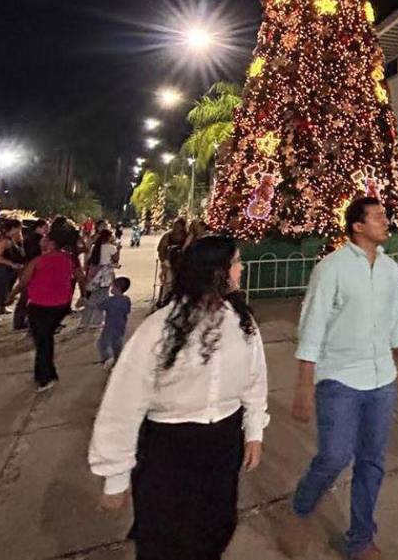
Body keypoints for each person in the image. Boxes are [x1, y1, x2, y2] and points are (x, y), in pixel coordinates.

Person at [89, 238, 268, 560]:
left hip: (223, 443)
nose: (242, 269)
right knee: (166, 537)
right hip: (170, 448)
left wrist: (254, 431)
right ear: (216, 272)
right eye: (237, 262)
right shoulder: (158, 329)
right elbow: (124, 404)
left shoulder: (241, 323)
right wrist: (115, 475)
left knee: (216, 526)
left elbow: (255, 381)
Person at [279, 197, 398, 560]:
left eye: (384, 216)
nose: (385, 222)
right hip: (339, 379)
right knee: (334, 456)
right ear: (357, 226)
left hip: (381, 381)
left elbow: (396, 320)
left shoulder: (389, 269)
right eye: (377, 217)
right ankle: (301, 510)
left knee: (372, 461)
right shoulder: (332, 268)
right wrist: (303, 385)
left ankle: (360, 539)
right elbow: (312, 327)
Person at [9, 224, 85, 390]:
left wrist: (10, 296)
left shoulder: (38, 260)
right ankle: (43, 372)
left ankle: (46, 376)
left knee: (43, 341)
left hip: (40, 305)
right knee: (44, 338)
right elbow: (80, 276)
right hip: (60, 305)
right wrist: (84, 295)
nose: (41, 239)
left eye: (45, 238)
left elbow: (23, 283)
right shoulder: (68, 258)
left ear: (51, 243)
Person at [14, 219, 48, 330]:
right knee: (30, 295)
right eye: (45, 227)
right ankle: (27, 321)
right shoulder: (39, 239)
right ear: (39, 227)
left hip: (27, 266)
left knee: (25, 295)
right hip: (34, 267)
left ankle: (19, 321)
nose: (47, 229)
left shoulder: (28, 237)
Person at [81, 228, 118, 329]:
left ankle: (85, 321)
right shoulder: (112, 248)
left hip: (95, 274)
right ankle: (97, 321)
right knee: (103, 297)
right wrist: (118, 249)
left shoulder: (95, 247)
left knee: (93, 297)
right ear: (109, 237)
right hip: (105, 275)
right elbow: (116, 260)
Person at [99, 276, 132, 369]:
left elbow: (98, 306)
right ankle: (117, 358)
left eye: (112, 287)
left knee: (103, 343)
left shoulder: (109, 301)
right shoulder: (126, 299)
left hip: (109, 325)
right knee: (117, 342)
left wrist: (85, 302)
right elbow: (127, 311)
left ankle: (108, 358)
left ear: (117, 288)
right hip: (121, 325)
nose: (111, 288)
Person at [157, 218, 188, 304]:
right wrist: (164, 261)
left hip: (182, 263)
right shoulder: (168, 235)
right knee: (168, 279)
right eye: (175, 225)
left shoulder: (186, 236)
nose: (176, 227)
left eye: (178, 225)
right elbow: (161, 249)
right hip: (169, 261)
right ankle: (164, 298)